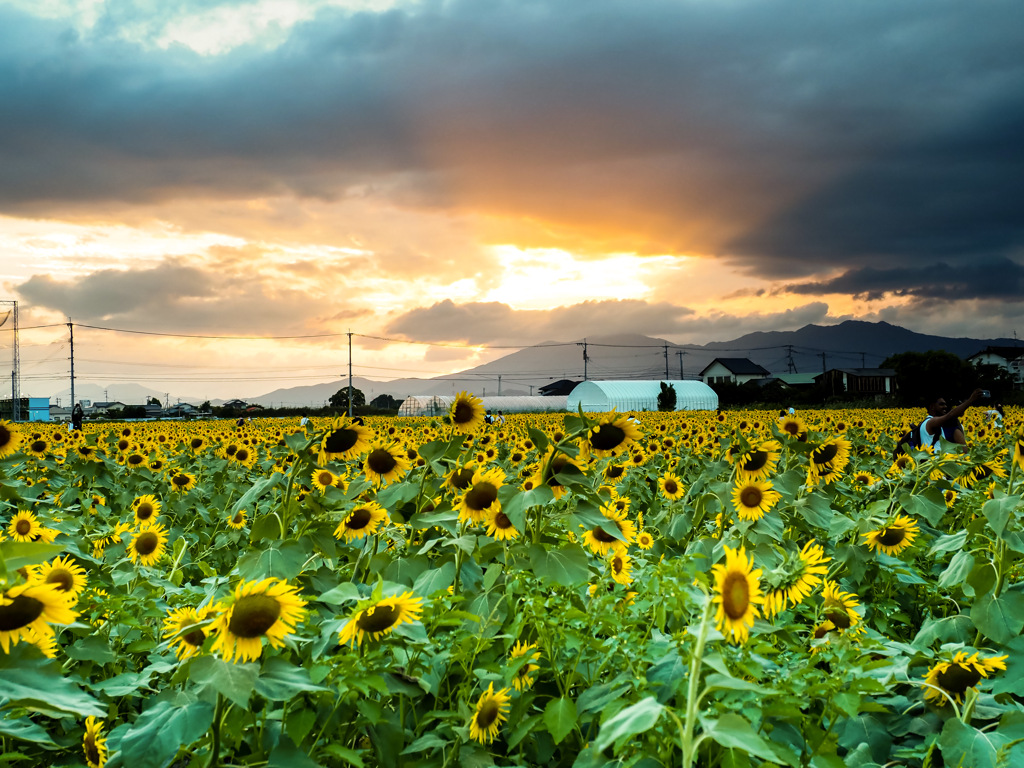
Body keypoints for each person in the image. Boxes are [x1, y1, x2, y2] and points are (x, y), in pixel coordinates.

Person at [920, 388, 985, 453]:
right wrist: (971, 400)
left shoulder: (931, 423)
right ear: (932, 407)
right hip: (934, 461)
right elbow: (950, 415)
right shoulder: (930, 422)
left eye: (945, 404)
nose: (945, 406)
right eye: (941, 404)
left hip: (939, 459)